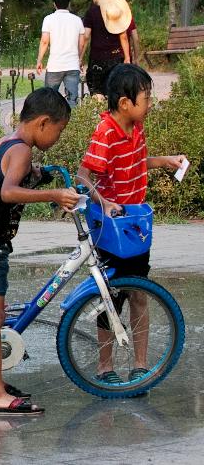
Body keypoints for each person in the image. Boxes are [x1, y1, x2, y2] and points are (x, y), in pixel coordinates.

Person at [0, 88, 81, 415]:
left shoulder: (3, 143)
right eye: (59, 129)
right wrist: (52, 193)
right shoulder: (21, 151)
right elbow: (8, 192)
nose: (58, 136)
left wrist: (31, 175)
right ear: (43, 123)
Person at [75, 64, 186, 386]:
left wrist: (164, 161)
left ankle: (140, 364)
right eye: (147, 98)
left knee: (140, 293)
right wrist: (104, 202)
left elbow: (136, 162)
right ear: (125, 103)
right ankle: (104, 367)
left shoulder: (136, 129)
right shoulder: (106, 132)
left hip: (135, 225)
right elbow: (84, 175)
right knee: (111, 297)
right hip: (111, 230)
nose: (151, 103)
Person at [36, 0, 87, 107]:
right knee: (72, 100)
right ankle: (71, 123)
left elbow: (44, 41)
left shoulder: (48, 19)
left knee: (49, 99)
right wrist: (79, 59)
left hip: (55, 65)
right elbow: (82, 43)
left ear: (54, 4)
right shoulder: (77, 20)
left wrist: (39, 60)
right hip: (72, 65)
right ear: (69, 3)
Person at [82, 0, 134, 97]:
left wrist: (80, 57)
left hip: (97, 58)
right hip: (117, 58)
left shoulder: (92, 12)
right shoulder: (115, 11)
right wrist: (127, 57)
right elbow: (124, 37)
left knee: (97, 92)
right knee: (116, 91)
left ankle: (100, 113)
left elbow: (86, 36)